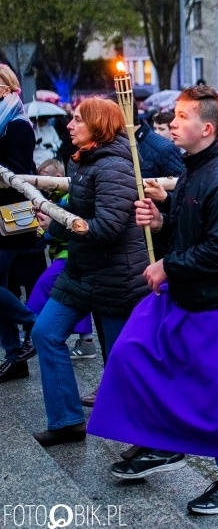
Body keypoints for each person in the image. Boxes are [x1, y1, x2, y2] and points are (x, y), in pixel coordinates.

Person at [88, 85, 218, 515]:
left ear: (206, 127)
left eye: (181, 118)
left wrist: (167, 265)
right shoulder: (193, 165)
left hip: (217, 306)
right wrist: (162, 220)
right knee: (134, 357)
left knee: (217, 399)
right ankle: (163, 444)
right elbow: (188, 228)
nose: (171, 124)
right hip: (182, 296)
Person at [29, 97, 150, 443]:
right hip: (82, 272)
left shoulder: (114, 165)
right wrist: (53, 222)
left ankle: (139, 440)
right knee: (45, 332)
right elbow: (78, 212)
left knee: (119, 360)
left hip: (117, 276)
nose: (70, 125)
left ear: (98, 126)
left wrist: (60, 222)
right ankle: (67, 420)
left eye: (78, 120)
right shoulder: (82, 160)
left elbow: (108, 226)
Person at [26, 160, 96, 361]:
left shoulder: (66, 200)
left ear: (56, 179)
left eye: (43, 181)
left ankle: (27, 325)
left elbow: (64, 230)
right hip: (68, 256)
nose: (40, 187)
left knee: (42, 287)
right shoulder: (60, 197)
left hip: (67, 256)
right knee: (77, 297)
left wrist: (46, 233)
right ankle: (86, 341)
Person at [0, 64, 38, 383]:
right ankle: (15, 357)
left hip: (11, 218)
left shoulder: (16, 124)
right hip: (1, 216)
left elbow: (18, 170)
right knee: (4, 288)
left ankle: (33, 323)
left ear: (6, 86)